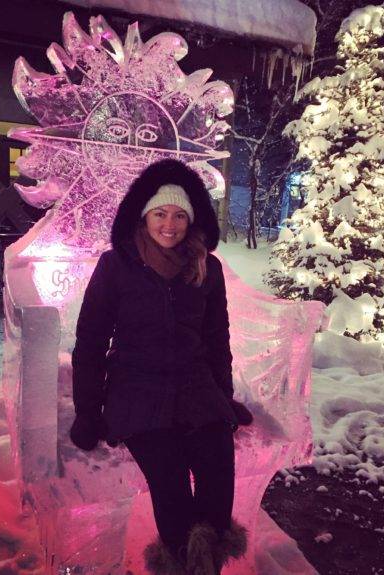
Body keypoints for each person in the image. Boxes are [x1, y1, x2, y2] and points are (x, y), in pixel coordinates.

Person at [69, 159, 252, 575]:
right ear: (144, 215)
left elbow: (215, 339)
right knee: (170, 485)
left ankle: (208, 565)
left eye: (179, 215)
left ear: (191, 220)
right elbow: (92, 342)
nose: (169, 225)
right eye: (160, 214)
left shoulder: (209, 269)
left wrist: (224, 398)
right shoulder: (116, 266)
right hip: (137, 391)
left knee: (218, 469)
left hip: (196, 387)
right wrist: (88, 412)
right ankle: (179, 566)